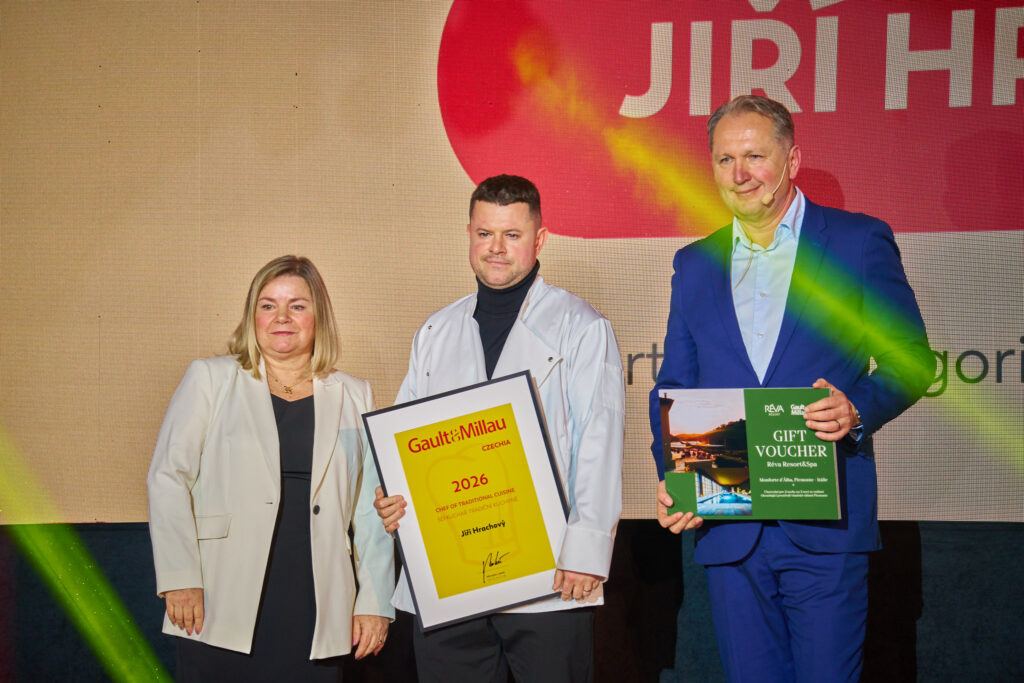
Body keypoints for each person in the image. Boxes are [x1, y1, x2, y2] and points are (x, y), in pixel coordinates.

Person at [650, 96, 933, 682]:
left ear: (792, 160)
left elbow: (913, 360)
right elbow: (674, 386)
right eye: (725, 159)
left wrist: (857, 408)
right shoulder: (694, 263)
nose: (740, 173)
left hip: (826, 522)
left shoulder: (857, 242)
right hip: (729, 523)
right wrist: (675, 480)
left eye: (755, 155)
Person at [373, 175, 625, 682]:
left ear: (540, 239)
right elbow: (403, 440)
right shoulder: (436, 331)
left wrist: (586, 552)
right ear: (468, 235)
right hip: (450, 575)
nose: (496, 248)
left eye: (512, 235)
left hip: (549, 574)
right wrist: (390, 492)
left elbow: (599, 444)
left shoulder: (582, 326)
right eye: (485, 233)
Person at [147, 255, 395, 681]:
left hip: (318, 600)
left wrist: (375, 602)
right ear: (252, 316)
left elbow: (371, 511)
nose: (282, 317)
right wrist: (179, 577)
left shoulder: (355, 394)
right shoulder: (210, 379)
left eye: (297, 305)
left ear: (318, 316)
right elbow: (167, 478)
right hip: (217, 597)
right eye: (268, 305)